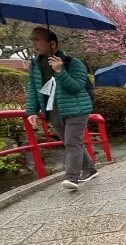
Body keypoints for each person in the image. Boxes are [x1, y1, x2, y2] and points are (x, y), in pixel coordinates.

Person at [25, 27, 97, 190]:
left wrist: (60, 71)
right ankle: (90, 169)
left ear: (52, 43)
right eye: (32, 39)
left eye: (37, 39)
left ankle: (72, 177)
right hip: (53, 110)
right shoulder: (35, 65)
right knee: (70, 142)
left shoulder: (73, 63)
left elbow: (77, 87)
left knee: (72, 141)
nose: (34, 43)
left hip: (76, 108)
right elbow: (33, 88)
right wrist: (31, 111)